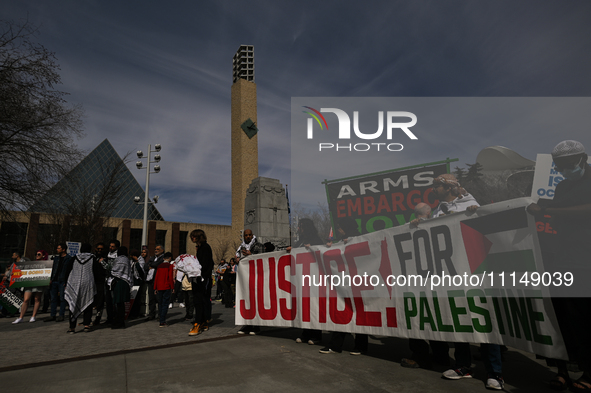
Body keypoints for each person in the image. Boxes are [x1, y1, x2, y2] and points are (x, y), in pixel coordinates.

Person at [527, 140, 591, 392]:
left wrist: (551, 210)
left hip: (586, 260)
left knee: (586, 318)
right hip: (562, 258)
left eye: (566, 165)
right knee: (562, 318)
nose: (563, 170)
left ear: (582, 159)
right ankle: (562, 369)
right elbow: (553, 210)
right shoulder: (563, 185)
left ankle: (588, 371)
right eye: (559, 166)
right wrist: (539, 209)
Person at [319, 218, 368, 355]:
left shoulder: (359, 237)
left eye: (340, 227)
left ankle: (361, 345)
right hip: (344, 282)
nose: (338, 230)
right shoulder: (341, 241)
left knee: (359, 314)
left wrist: (352, 244)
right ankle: (336, 345)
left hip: (357, 282)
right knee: (342, 312)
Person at [287, 218, 324, 345]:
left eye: (301, 226)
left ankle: (316, 334)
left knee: (314, 307)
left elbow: (323, 252)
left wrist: (313, 248)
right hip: (301, 280)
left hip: (313, 279)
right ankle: (306, 332)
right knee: (304, 307)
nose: (299, 229)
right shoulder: (300, 242)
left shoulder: (316, 240)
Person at [64, 243, 99, 334]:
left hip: (74, 282)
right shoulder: (93, 258)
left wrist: (65, 282)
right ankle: (86, 325)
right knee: (88, 304)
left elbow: (68, 270)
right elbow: (96, 271)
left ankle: (72, 327)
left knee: (73, 304)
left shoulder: (74, 258)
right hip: (88, 282)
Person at [236, 229, 265, 335]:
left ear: (252, 235)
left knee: (255, 300)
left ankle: (256, 325)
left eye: (249, 235)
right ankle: (247, 323)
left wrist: (251, 254)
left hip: (256, 276)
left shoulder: (259, 246)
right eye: (246, 235)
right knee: (246, 299)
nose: (247, 237)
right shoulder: (241, 247)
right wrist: (237, 259)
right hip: (245, 277)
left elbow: (263, 259)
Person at [189, 229, 214, 336]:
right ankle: (203, 322)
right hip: (201, 278)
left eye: (194, 236)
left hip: (202, 278)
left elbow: (206, 264)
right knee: (201, 300)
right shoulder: (201, 248)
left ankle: (197, 323)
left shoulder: (205, 248)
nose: (192, 238)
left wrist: (200, 274)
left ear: (199, 237)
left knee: (198, 301)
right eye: (192, 236)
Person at [12, 249, 47, 324]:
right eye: (36, 254)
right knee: (26, 299)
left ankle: (33, 316)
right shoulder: (32, 263)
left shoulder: (46, 264)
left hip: (39, 282)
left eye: (39, 254)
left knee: (37, 299)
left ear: (43, 255)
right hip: (30, 282)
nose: (37, 256)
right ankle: (21, 317)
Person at [44, 244, 72, 322]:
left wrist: (67, 281)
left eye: (59, 248)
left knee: (62, 298)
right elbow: (53, 269)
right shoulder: (56, 258)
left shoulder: (68, 258)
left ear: (63, 249)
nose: (57, 249)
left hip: (62, 280)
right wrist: (50, 278)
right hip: (54, 280)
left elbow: (69, 271)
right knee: (53, 298)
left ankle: (61, 315)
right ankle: (52, 315)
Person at [109, 246, 132, 329]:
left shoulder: (119, 259)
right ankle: (121, 321)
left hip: (119, 282)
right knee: (121, 304)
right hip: (125, 282)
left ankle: (119, 322)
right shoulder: (127, 260)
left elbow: (114, 270)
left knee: (118, 303)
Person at [154, 252, 175, 327]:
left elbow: (156, 277)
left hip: (159, 286)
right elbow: (170, 277)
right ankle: (162, 321)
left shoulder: (159, 266)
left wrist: (155, 287)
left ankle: (160, 318)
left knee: (160, 303)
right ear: (170, 258)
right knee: (165, 304)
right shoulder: (169, 266)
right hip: (166, 286)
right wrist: (172, 287)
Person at [147, 245, 165, 320]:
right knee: (151, 299)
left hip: (157, 281)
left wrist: (151, 265)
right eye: (155, 249)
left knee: (158, 298)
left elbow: (157, 264)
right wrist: (151, 265)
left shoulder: (162, 258)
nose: (156, 250)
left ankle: (161, 315)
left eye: (158, 249)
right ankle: (152, 314)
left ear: (162, 250)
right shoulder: (152, 258)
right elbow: (146, 266)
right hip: (150, 280)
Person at [92, 242, 107, 326]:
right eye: (98, 249)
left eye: (101, 249)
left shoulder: (106, 257)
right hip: (93, 281)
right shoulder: (93, 257)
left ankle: (98, 317)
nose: (100, 250)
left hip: (102, 281)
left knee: (100, 300)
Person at [128, 249, 146, 319]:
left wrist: (137, 262)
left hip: (138, 281)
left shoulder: (141, 261)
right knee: (131, 298)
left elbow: (141, 271)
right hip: (131, 280)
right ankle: (130, 312)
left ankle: (135, 313)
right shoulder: (131, 261)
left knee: (136, 299)